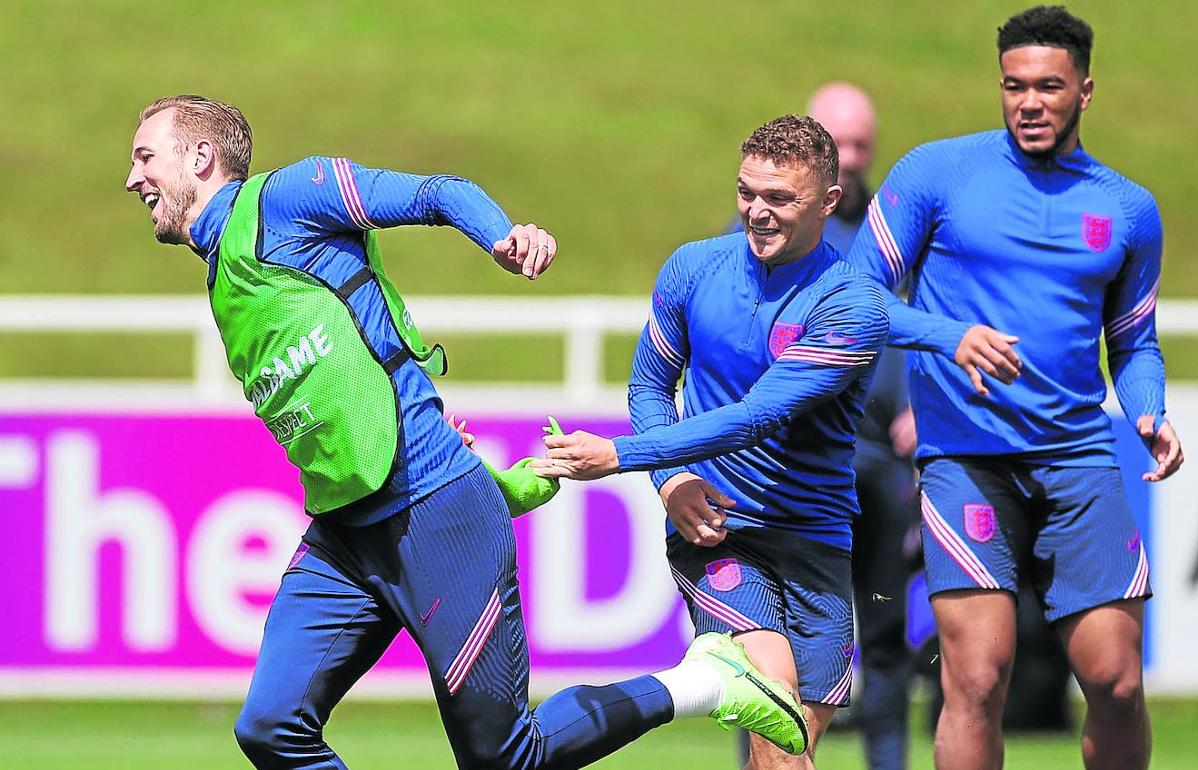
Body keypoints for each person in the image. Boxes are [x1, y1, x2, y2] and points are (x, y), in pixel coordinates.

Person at [125, 94, 808, 770]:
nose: (133, 178)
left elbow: (437, 192)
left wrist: (501, 237)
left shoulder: (287, 198)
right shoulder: (222, 272)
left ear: (201, 156)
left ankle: (708, 681)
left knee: (504, 760)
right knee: (270, 726)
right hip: (346, 533)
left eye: (145, 157)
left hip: (433, 512)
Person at [843, 7, 1183, 769]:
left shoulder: (1127, 209)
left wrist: (1149, 411)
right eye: (1014, 85)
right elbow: (855, 297)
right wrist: (947, 336)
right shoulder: (936, 174)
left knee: (1117, 681)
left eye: (1048, 87)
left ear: (1084, 92)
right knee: (976, 678)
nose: (1029, 102)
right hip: (965, 459)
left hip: (1078, 460)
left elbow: (1134, 344)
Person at [533, 114, 890, 769]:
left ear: (829, 201)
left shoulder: (854, 306)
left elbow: (758, 416)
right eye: (746, 192)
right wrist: (669, 480)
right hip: (720, 533)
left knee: (788, 751)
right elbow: (650, 385)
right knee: (774, 711)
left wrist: (619, 456)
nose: (757, 211)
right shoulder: (693, 268)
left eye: (779, 197)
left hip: (817, 544)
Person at [729, 83, 918, 770]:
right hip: (790, 468)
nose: (855, 156)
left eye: (863, 144)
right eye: (841, 143)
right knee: (765, 648)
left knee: (886, 630)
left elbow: (927, 320)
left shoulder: (898, 230)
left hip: (881, 460)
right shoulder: (767, 231)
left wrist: (923, 402)